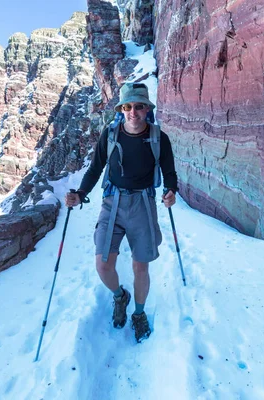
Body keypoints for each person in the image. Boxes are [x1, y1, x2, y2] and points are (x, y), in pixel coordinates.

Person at [65, 82, 178, 343]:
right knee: (103, 265)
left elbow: (170, 170)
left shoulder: (159, 138)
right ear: (121, 109)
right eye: (128, 107)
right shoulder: (111, 133)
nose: (133, 112)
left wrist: (171, 190)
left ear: (147, 109)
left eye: (139, 106)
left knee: (141, 265)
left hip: (143, 204)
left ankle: (138, 313)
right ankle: (120, 296)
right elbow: (95, 168)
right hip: (112, 202)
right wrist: (80, 194)